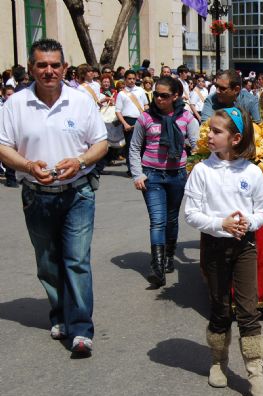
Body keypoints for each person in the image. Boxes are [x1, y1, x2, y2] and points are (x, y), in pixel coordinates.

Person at [0, 38, 108, 356]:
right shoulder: (15, 104)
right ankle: (59, 313)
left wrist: (81, 161)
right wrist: (28, 165)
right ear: (32, 68)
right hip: (36, 195)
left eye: (55, 65)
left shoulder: (81, 101)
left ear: (64, 67)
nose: (49, 71)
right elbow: (4, 147)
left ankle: (81, 329)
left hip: (77, 193)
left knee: (76, 261)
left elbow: (100, 143)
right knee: (47, 263)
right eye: (42, 65)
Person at [183, 107, 263, 396]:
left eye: (216, 131)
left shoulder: (252, 172)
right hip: (215, 247)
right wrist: (220, 224)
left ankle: (255, 373)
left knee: (248, 310)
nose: (209, 134)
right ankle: (218, 360)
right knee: (220, 307)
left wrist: (250, 222)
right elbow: (192, 214)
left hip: (244, 246)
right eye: (209, 129)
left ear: (235, 138)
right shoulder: (201, 171)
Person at [129, 76, 199, 288]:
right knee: (157, 220)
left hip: (177, 175)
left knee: (171, 219)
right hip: (152, 176)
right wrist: (137, 174)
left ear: (175, 96)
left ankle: (169, 255)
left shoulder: (187, 118)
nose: (159, 99)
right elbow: (134, 148)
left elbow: (197, 148)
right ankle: (157, 266)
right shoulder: (145, 118)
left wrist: (193, 171)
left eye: (164, 95)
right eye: (156, 94)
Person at [116, 69, 148, 177]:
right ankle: (131, 169)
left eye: (134, 78)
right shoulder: (121, 94)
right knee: (130, 146)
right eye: (129, 79)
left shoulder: (140, 90)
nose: (132, 81)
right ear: (125, 79)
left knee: (143, 145)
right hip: (128, 120)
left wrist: (146, 117)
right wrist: (124, 123)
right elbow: (118, 111)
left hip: (141, 119)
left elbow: (146, 105)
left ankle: (143, 167)